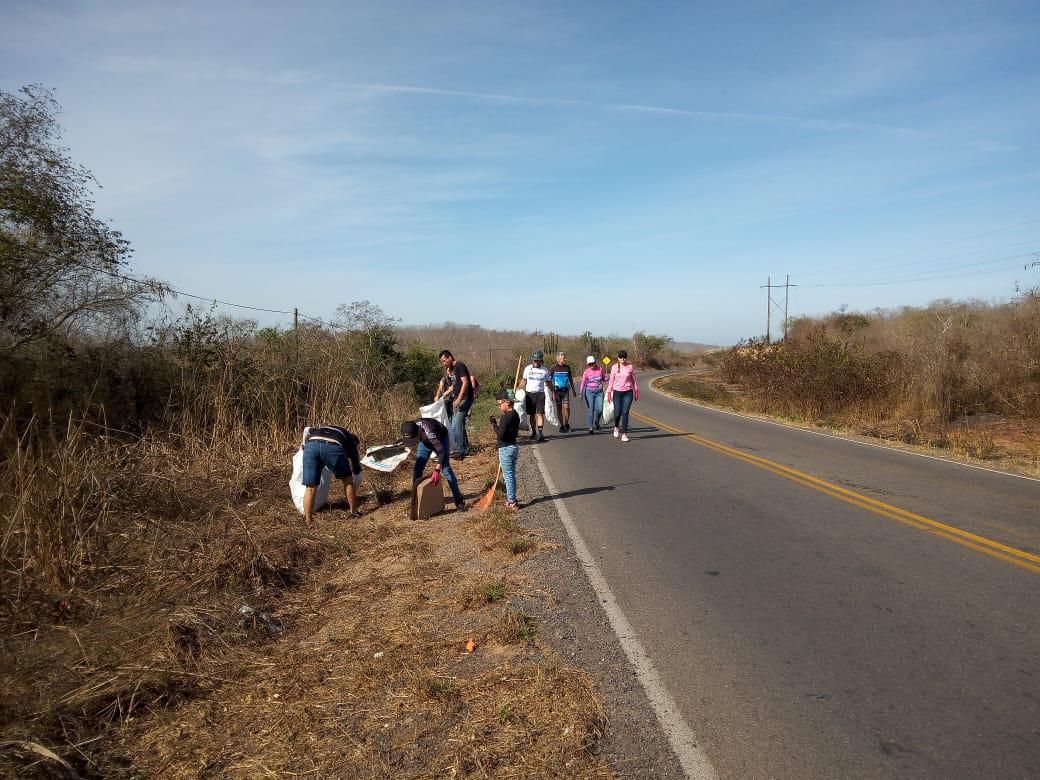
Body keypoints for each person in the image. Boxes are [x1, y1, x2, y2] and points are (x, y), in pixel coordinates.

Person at [300, 425, 364, 526]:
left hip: (310, 446)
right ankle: (354, 512)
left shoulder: (328, 429)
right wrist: (354, 479)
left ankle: (309, 521)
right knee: (347, 480)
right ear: (354, 443)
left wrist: (304, 444)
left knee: (310, 487)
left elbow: (307, 429)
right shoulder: (351, 443)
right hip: (332, 447)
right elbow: (357, 473)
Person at [399, 417, 467, 511]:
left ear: (418, 432)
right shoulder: (410, 428)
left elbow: (442, 452)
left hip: (441, 439)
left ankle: (459, 501)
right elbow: (403, 441)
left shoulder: (429, 432)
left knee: (446, 469)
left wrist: (437, 470)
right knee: (417, 469)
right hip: (424, 441)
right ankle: (416, 501)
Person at [489, 388, 521, 509]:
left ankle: (512, 500)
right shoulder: (515, 415)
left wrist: (494, 424)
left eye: (499, 404)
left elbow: (501, 434)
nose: (499, 407)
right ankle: (511, 498)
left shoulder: (506, 417)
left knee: (508, 475)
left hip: (506, 448)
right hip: (513, 446)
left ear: (507, 402)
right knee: (510, 474)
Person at [438, 350, 473, 458]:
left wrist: (459, 399)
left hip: (465, 398)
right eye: (442, 362)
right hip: (459, 399)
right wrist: (443, 395)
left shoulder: (459, 366)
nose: (444, 363)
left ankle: (460, 450)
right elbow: (454, 386)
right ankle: (464, 448)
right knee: (459, 424)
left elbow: (466, 383)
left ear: (450, 357)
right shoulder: (453, 369)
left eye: (444, 361)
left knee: (457, 423)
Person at [516, 349, 551, 442]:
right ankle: (534, 432)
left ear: (541, 360)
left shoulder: (545, 370)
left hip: (540, 394)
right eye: (534, 360)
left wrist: (553, 392)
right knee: (531, 415)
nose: (535, 362)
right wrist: (517, 389)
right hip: (529, 394)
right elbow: (524, 381)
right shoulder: (527, 369)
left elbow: (549, 382)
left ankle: (540, 433)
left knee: (540, 414)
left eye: (537, 360)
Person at [606, 349, 639, 442]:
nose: (623, 359)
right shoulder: (614, 367)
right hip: (617, 392)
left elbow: (633, 380)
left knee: (625, 412)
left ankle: (624, 434)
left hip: (628, 392)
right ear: (618, 358)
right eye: (621, 357)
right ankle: (616, 427)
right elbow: (611, 380)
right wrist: (609, 392)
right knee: (617, 413)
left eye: (624, 357)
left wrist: (636, 390)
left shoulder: (630, 367)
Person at [579, 355, 607, 434]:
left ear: (595, 362)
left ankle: (597, 422)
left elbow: (604, 379)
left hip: (599, 392)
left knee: (600, 409)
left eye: (592, 363)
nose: (591, 365)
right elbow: (583, 382)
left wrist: (612, 377)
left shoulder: (600, 369)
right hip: (589, 392)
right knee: (591, 410)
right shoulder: (586, 371)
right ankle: (590, 428)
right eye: (589, 364)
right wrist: (581, 392)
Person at [550, 351, 576, 433]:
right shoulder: (553, 368)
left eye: (565, 357)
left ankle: (566, 423)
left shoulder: (567, 367)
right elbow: (550, 381)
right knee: (559, 408)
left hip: (565, 391)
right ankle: (561, 425)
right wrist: (552, 392)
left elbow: (571, 379)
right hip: (557, 391)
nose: (565, 359)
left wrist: (574, 390)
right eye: (564, 358)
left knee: (566, 407)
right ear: (558, 359)